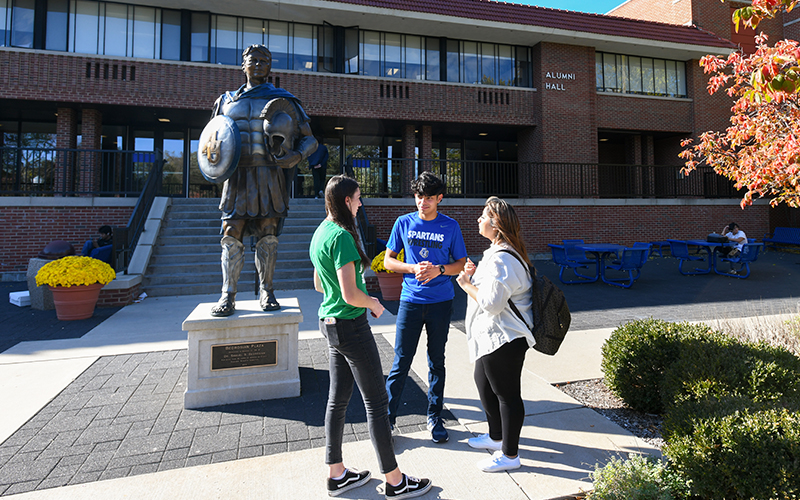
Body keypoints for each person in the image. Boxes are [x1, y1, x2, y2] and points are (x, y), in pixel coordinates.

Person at [309, 175, 432, 499]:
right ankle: (395, 481)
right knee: (377, 403)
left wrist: (347, 295)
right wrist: (374, 302)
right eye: (358, 198)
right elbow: (351, 294)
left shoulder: (321, 232)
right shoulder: (342, 236)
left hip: (330, 324)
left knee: (338, 400)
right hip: (351, 326)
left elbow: (320, 286)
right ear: (346, 201)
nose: (361, 203)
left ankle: (336, 474)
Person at [208, 44, 317, 316]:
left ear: (270, 67)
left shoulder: (284, 100)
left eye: (264, 61)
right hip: (237, 177)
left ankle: (267, 289)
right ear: (242, 64)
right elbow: (212, 140)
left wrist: (296, 156)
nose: (258, 65)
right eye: (253, 60)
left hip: (269, 174)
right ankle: (227, 294)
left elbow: (310, 139)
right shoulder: (225, 102)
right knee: (231, 232)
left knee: (268, 233)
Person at [383, 171, 468, 443]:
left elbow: (461, 264)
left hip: (441, 302)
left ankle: (434, 417)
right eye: (419, 197)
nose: (423, 203)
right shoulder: (403, 222)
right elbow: (387, 261)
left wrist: (439, 270)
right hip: (410, 301)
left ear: (439, 198)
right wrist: (411, 268)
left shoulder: (451, 226)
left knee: (436, 361)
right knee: (401, 362)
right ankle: (388, 419)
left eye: (429, 198)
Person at [455, 196, 534, 473]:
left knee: (507, 395)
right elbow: (493, 290)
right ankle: (495, 436)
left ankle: (510, 455)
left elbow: (492, 302)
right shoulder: (497, 253)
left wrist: (465, 284)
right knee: (483, 382)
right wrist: (474, 275)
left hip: (505, 338)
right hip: (492, 336)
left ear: (496, 224)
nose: (478, 219)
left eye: (483, 215)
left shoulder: (502, 259)